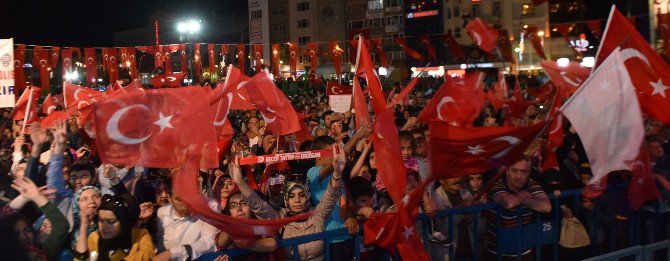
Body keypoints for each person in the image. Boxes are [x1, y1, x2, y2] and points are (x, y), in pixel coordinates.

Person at [231, 145, 346, 260]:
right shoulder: (280, 219)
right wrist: (239, 181)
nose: (297, 200)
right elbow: (258, 206)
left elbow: (331, 195)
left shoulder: (318, 215)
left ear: (307, 196)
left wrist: (337, 172)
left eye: (301, 195)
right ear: (286, 199)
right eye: (291, 196)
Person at [485, 157, 551, 260]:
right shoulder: (496, 184)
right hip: (497, 251)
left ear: (529, 172)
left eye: (523, 172)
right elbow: (508, 203)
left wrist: (518, 198)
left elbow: (546, 207)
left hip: (524, 249)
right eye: (514, 171)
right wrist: (525, 194)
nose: (519, 176)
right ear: (507, 171)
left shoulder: (531, 183)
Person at [75, 195, 154, 261]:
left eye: (111, 221)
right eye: (101, 220)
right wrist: (84, 226)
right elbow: (79, 259)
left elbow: (147, 255)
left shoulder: (140, 235)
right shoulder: (95, 237)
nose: (104, 226)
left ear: (123, 222)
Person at [154, 190, 219, 261]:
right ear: (169, 198)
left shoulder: (209, 206)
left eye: (190, 199)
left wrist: (172, 253)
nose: (185, 205)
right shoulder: (162, 212)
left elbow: (210, 242)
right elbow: (160, 243)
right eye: (179, 199)